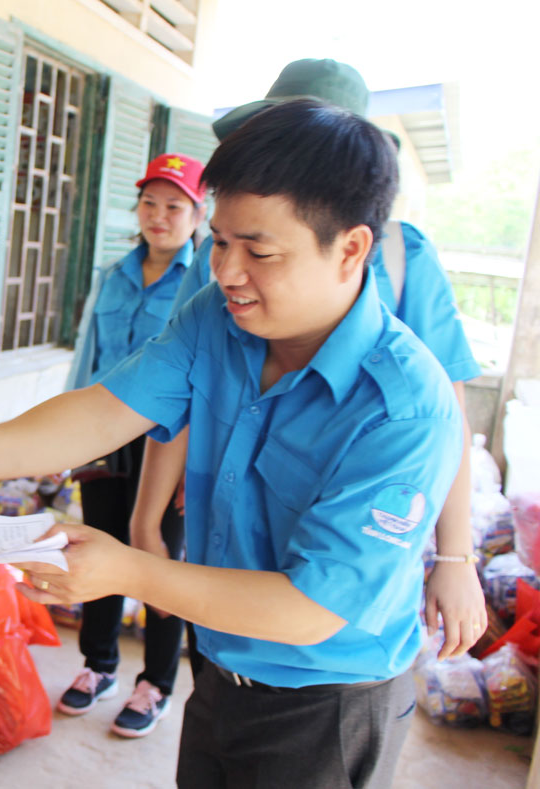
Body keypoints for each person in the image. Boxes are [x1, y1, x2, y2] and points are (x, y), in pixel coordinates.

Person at [0, 100, 462, 787]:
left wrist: (129, 570)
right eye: (219, 241)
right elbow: (102, 411)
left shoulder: (403, 409)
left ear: (352, 248)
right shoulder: (219, 317)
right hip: (217, 672)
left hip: (324, 707)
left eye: (260, 251)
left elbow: (310, 608)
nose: (228, 271)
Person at [133, 58, 486, 663]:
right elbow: (178, 387)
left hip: (332, 612)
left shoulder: (402, 259)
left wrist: (456, 557)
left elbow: (444, 410)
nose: (232, 268)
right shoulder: (227, 252)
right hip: (230, 576)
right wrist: (147, 520)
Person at [59, 152, 205, 737]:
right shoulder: (113, 274)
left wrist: (198, 460)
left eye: (174, 206)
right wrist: (67, 437)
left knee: (155, 563)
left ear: (199, 214)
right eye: (150, 203)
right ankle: (99, 666)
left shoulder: (207, 280)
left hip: (166, 442)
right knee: (95, 550)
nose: (159, 216)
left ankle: (158, 683)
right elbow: (85, 359)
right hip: (102, 436)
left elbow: (207, 377)